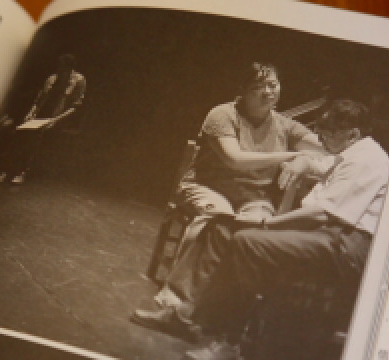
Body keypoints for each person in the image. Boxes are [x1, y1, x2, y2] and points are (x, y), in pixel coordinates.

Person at [171, 99, 389, 360]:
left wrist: (267, 223)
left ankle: (227, 342)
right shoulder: (352, 152)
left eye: (327, 134)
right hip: (329, 234)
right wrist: (301, 162)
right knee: (223, 227)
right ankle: (184, 313)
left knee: (248, 241)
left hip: (347, 245)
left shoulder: (367, 161)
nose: (321, 140)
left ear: (352, 134)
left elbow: (323, 214)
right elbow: (318, 164)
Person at [132, 62, 325, 336]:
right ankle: (174, 305)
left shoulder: (285, 125)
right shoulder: (222, 115)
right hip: (208, 187)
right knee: (215, 221)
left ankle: (215, 311)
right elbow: (235, 160)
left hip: (254, 197)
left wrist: (307, 158)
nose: (268, 92)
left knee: (256, 235)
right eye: (257, 87)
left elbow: (324, 148)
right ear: (242, 91)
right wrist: (293, 155)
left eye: (273, 85)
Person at [0, 54, 86, 184]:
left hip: (59, 118)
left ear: (70, 69)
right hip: (41, 115)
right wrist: (31, 113)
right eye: (59, 68)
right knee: (20, 135)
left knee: (36, 141)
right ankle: (5, 171)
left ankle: (23, 172)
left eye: (64, 69)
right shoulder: (52, 78)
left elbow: (74, 107)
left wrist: (56, 120)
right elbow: (39, 99)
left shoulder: (79, 81)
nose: (60, 72)